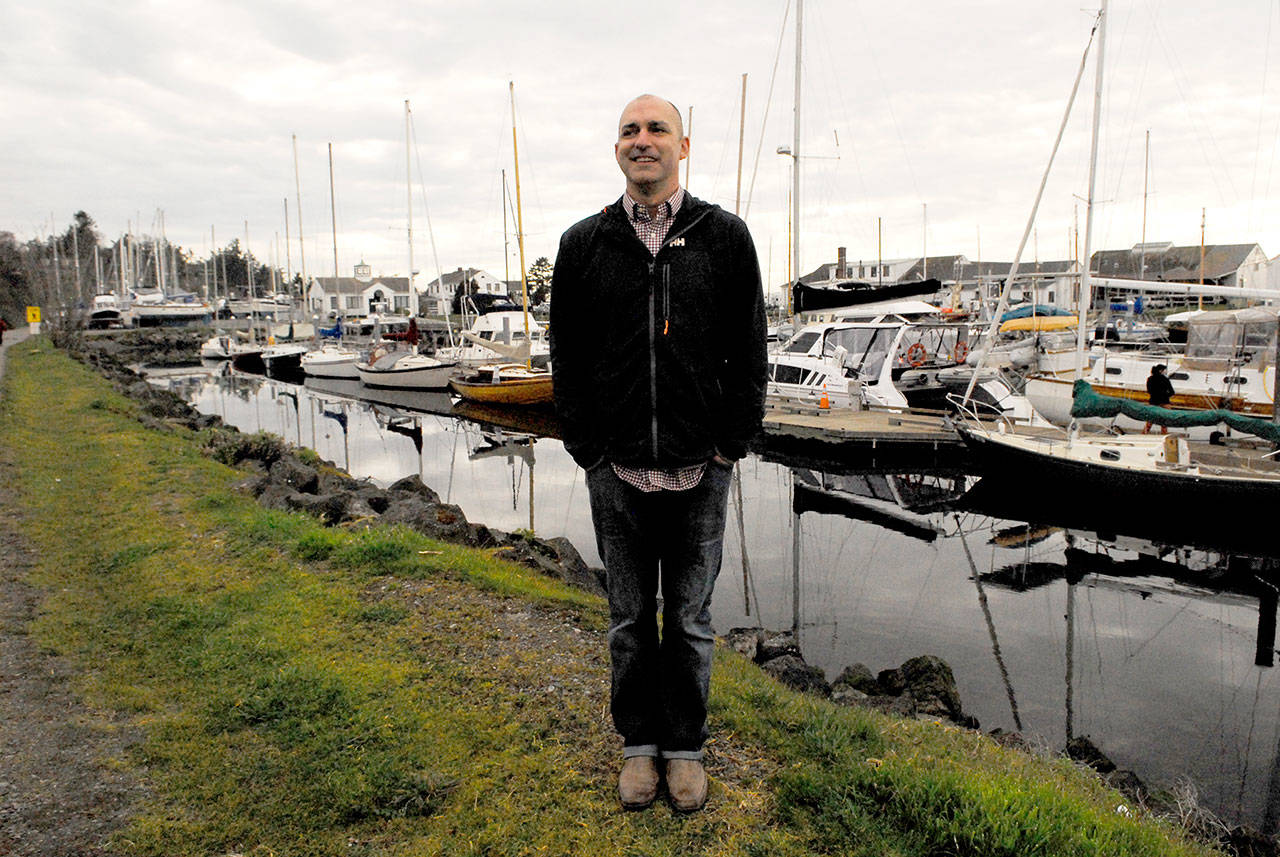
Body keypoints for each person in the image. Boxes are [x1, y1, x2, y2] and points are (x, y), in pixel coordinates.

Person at [549, 94, 767, 813]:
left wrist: (731, 444)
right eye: (629, 131)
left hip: (702, 467)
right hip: (616, 469)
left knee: (692, 623)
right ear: (617, 149)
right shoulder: (584, 243)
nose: (642, 140)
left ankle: (685, 748)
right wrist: (586, 447)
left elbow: (750, 350)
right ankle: (639, 745)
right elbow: (567, 355)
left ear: (683, 146)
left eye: (657, 129)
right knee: (629, 621)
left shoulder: (724, 237)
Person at [1143, 363, 1174, 434]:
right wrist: (1165, 395)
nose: (1165, 372)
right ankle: (1163, 435)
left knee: (1150, 421)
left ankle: (1144, 435)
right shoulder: (1165, 379)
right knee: (1164, 422)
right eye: (1164, 370)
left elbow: (1149, 391)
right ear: (1161, 371)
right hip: (1164, 402)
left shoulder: (1150, 379)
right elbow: (1172, 392)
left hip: (1153, 402)